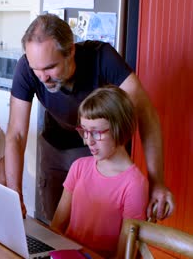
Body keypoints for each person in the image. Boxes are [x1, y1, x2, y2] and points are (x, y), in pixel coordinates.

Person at [5, 13, 174, 222]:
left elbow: (146, 115)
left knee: (93, 226)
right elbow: (17, 133)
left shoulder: (102, 58)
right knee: (53, 226)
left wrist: (157, 181)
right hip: (53, 147)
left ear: (71, 52)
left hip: (98, 150)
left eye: (50, 67)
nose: (42, 77)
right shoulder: (27, 68)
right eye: (36, 69)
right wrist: (13, 193)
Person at [50, 86, 149, 258]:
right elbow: (56, 228)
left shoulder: (134, 184)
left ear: (120, 128)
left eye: (95, 133)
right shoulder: (78, 167)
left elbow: (124, 254)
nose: (88, 141)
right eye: (84, 131)